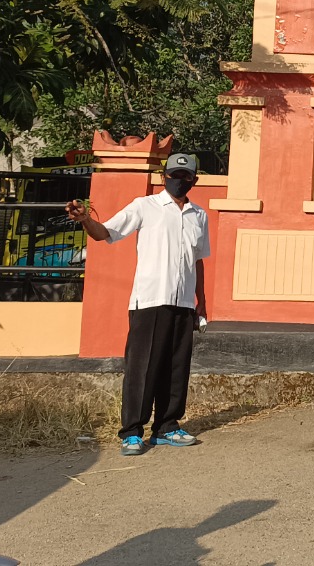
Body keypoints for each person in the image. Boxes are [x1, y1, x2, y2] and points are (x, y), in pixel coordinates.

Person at [66, 153, 211, 455]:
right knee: (142, 367)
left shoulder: (199, 215)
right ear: (163, 177)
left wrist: (202, 301)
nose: (179, 181)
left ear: (194, 181)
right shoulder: (144, 207)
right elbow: (105, 232)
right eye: (174, 175)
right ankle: (132, 431)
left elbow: (198, 260)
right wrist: (84, 219)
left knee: (176, 367)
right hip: (149, 300)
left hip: (183, 302)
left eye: (185, 177)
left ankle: (167, 426)